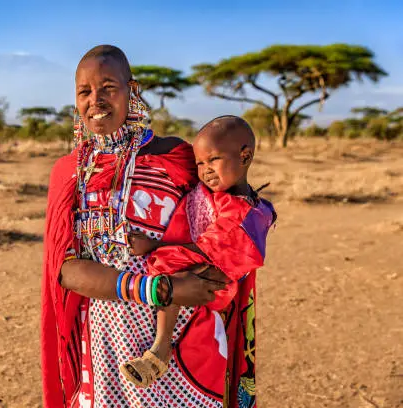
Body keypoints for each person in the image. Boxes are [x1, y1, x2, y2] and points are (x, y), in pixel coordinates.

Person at [41, 45, 236, 408]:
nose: (95, 100)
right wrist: (159, 288)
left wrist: (195, 280)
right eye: (85, 91)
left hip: (185, 334)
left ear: (133, 91)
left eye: (108, 87)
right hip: (107, 340)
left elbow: (224, 230)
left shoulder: (178, 157)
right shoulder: (68, 173)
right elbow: (64, 271)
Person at [119, 116, 277, 397]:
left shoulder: (248, 211)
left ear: (245, 156)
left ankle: (160, 349)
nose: (205, 171)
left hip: (213, 285)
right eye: (200, 164)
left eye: (213, 160)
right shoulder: (212, 196)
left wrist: (154, 248)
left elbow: (213, 249)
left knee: (170, 275)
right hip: (200, 283)